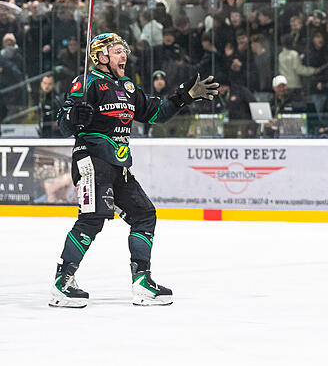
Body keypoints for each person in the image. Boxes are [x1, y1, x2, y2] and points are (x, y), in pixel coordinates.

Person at [50, 33, 219, 308]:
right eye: (116, 51)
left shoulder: (128, 87)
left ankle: (142, 281)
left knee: (144, 214)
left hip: (119, 166)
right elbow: (64, 124)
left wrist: (184, 97)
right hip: (92, 160)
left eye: (123, 51)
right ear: (101, 57)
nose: (123, 55)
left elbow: (156, 113)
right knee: (93, 219)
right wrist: (73, 116)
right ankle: (62, 282)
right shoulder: (87, 82)